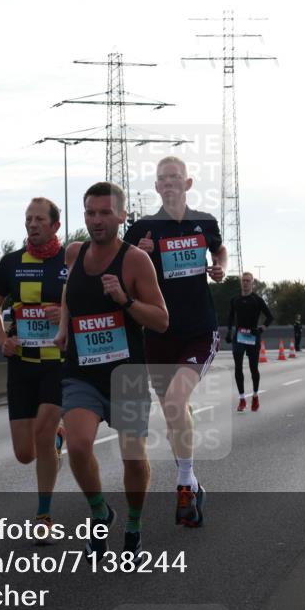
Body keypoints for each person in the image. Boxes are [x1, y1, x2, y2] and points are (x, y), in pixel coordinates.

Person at [54, 181, 168, 559]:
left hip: (127, 374)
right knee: (79, 444)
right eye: (90, 213)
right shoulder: (74, 253)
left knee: (133, 457)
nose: (97, 220)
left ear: (121, 216)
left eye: (105, 213)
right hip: (82, 371)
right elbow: (69, 292)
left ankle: (133, 527)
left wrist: (125, 299)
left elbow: (161, 320)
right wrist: (62, 327)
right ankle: (100, 512)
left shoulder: (135, 260)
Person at [123, 156, 225, 529]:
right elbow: (126, 274)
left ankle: (183, 483)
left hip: (199, 328)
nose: (169, 183)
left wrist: (220, 267)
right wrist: (143, 257)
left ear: (188, 182)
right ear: (156, 186)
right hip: (159, 333)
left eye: (175, 178)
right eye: (162, 179)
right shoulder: (141, 230)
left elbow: (219, 250)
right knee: (172, 413)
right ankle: (194, 483)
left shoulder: (205, 222)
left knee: (177, 401)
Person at [0, 197, 67, 541]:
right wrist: (2, 339)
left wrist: (64, 316)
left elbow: (89, 305)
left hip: (58, 364)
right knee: (24, 454)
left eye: (39, 219)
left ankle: (44, 515)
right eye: (28, 219)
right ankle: (58, 438)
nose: (32, 224)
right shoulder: (12, 263)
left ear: (54, 225)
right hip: (21, 365)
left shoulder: (71, 261)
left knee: (43, 435)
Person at [226, 272, 273, 412]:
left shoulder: (257, 300)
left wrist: (261, 329)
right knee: (238, 368)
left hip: (253, 337)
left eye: (248, 281)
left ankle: (255, 396)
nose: (245, 283)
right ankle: (241, 399)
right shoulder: (235, 300)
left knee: (254, 369)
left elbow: (270, 317)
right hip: (239, 337)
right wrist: (229, 332)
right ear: (241, 283)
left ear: (252, 283)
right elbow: (230, 317)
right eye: (243, 280)